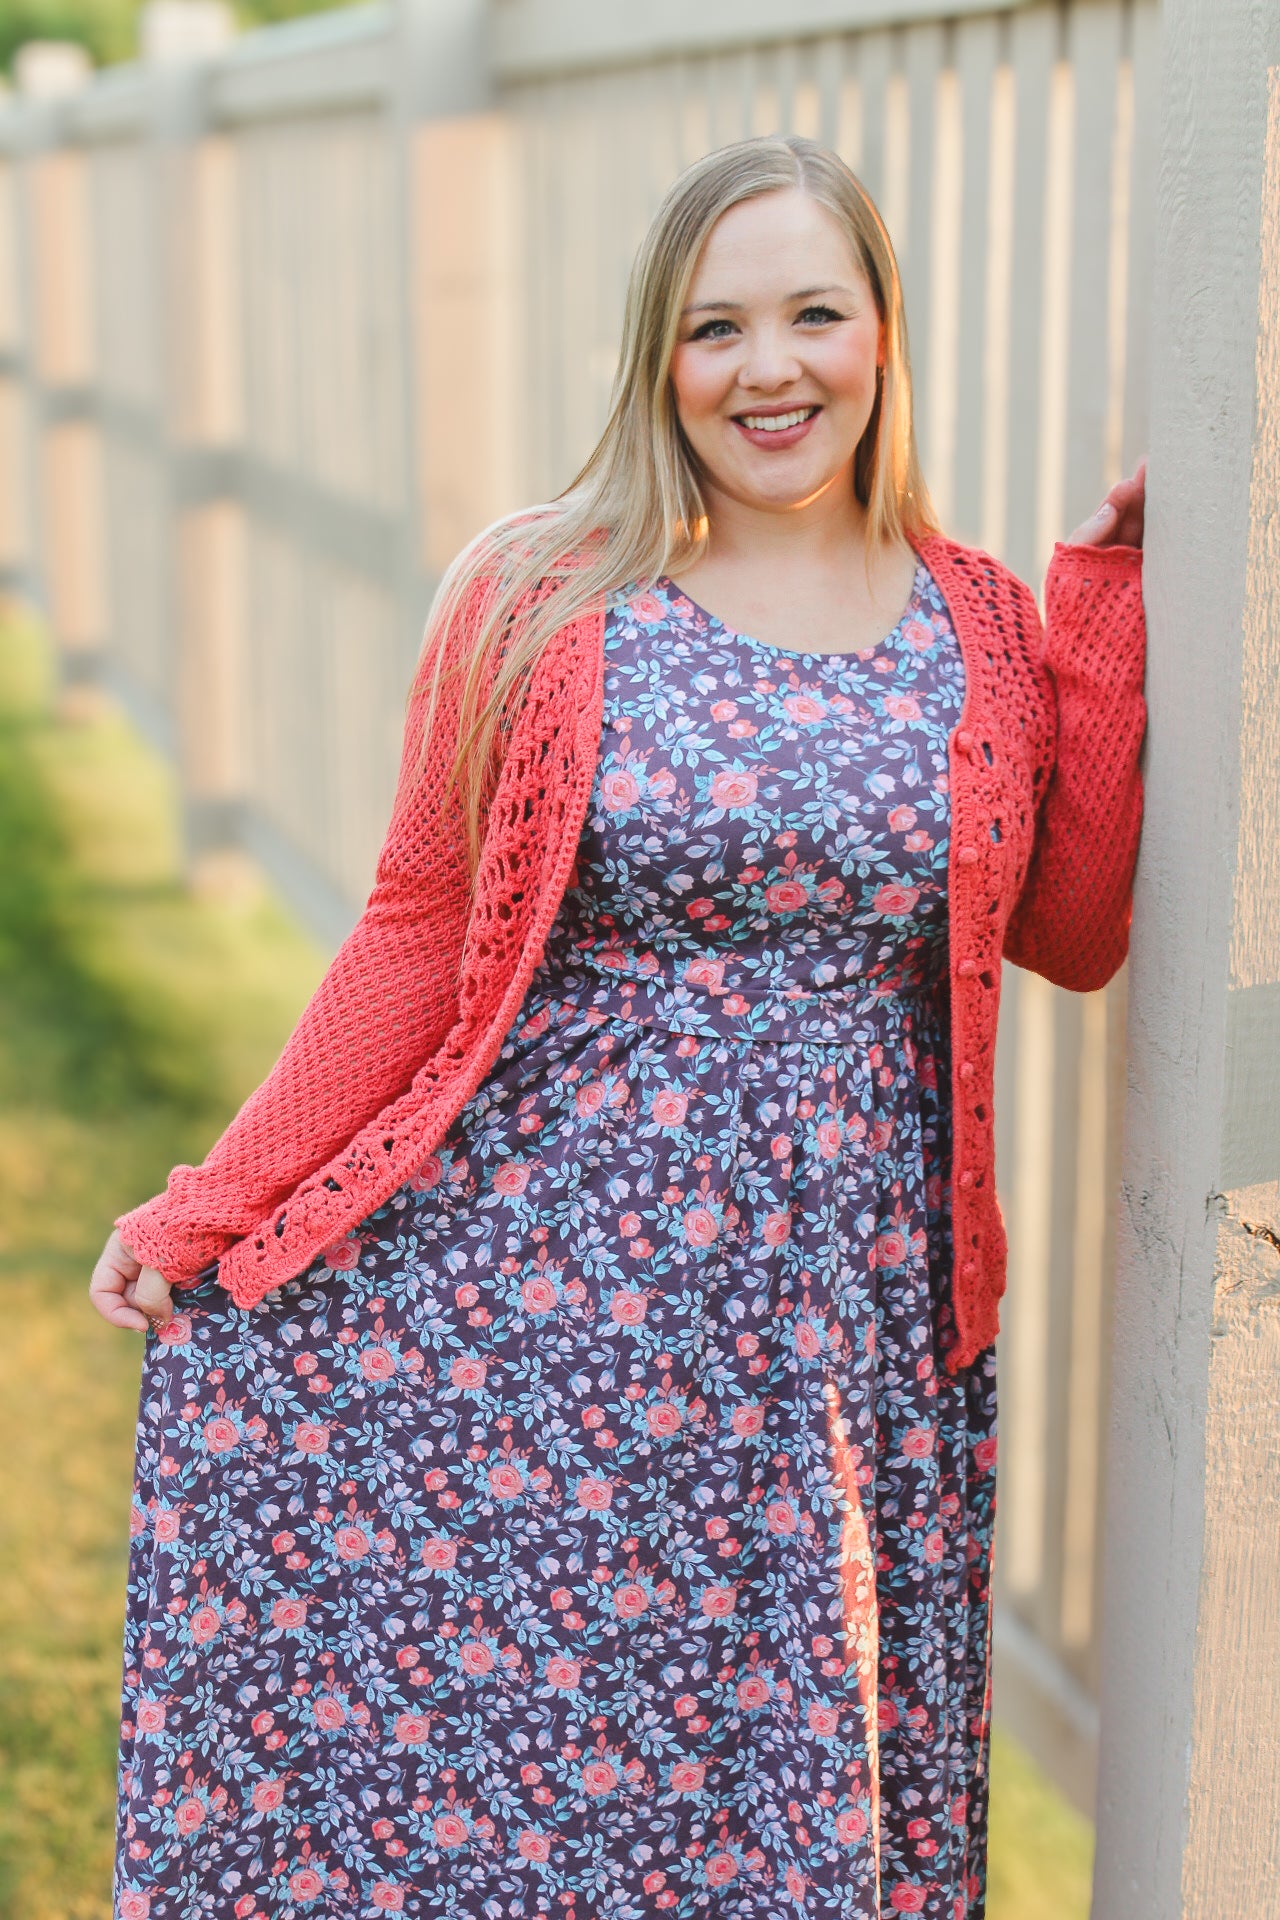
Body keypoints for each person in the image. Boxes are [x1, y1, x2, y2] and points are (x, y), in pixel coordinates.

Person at [90, 135, 1146, 1919]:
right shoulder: (545, 592)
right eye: (716, 328)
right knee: (536, 1755)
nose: (769, 369)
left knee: (782, 1761)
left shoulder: (982, 623)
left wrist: (1105, 606)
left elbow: (1074, 925)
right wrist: (216, 1199)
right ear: (660, 356)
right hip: (550, 1296)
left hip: (840, 1312)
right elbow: (418, 933)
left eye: (814, 313)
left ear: (881, 334)